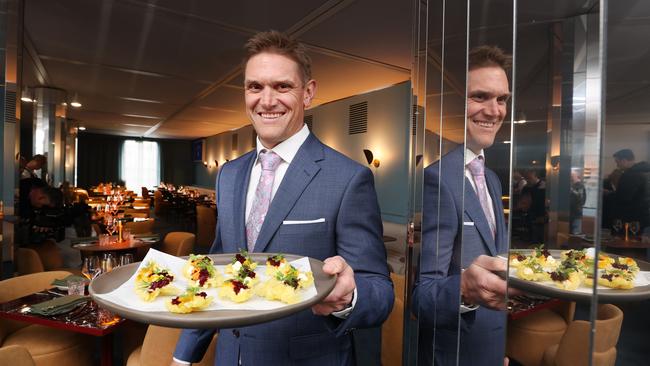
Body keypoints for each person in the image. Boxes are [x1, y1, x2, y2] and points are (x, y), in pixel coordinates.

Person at [171, 31, 393, 366]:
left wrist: (350, 295)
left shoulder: (349, 178)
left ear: (308, 93)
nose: (267, 100)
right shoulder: (229, 175)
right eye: (255, 87)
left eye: (282, 86)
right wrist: (184, 356)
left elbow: (380, 291)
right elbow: (217, 270)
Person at [413, 45, 517, 366]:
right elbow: (423, 295)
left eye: (501, 99)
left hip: (491, 338)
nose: (494, 110)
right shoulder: (438, 179)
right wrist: (463, 288)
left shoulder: (493, 179)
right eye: (480, 97)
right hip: (456, 349)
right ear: (456, 104)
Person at [612, 149, 650, 234]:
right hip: (645, 217)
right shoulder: (646, 172)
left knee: (627, 245)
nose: (617, 165)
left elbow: (624, 198)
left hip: (631, 219)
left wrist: (609, 194)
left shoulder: (630, 175)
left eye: (617, 162)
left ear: (624, 160)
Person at [569, 169, 587, 235]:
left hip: (576, 215)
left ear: (577, 175)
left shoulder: (580, 186)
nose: (570, 176)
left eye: (572, 175)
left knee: (575, 237)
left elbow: (581, 200)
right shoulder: (572, 185)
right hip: (570, 215)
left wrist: (572, 191)